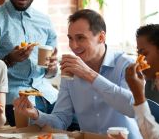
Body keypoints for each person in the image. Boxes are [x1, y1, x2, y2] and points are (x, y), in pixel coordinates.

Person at [13, 9, 142, 139]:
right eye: (70, 39)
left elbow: (133, 109)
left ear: (101, 37)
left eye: (80, 38)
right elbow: (61, 120)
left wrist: (89, 74)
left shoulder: (127, 65)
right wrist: (36, 114)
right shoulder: (70, 73)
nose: (73, 46)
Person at [0, 0, 59, 126]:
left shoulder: (44, 21)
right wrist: (10, 60)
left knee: (76, 124)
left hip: (47, 94)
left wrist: (53, 68)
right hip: (13, 97)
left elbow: (51, 72)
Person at [123, 24, 159, 139]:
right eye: (138, 54)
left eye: (144, 54)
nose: (139, 61)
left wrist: (138, 97)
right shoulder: (147, 83)